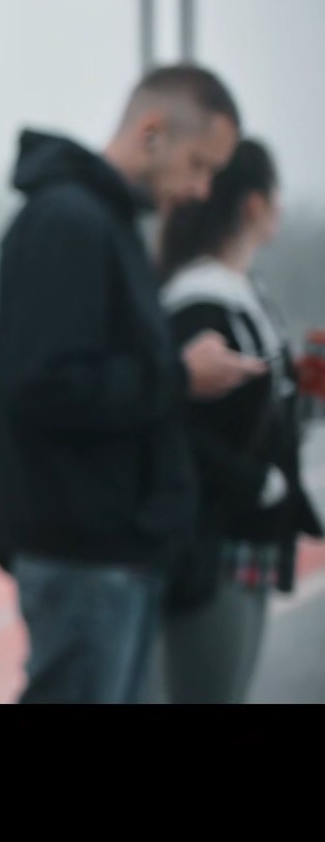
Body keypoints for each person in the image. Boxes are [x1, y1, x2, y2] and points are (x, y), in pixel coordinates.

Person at [0, 64, 267, 705]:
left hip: (110, 550)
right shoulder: (70, 223)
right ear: (152, 133)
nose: (201, 189)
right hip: (86, 553)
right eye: (198, 165)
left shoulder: (101, 223)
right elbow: (45, 385)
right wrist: (180, 375)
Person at [152, 138, 322, 702]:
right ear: (253, 204)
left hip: (246, 534)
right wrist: (260, 482)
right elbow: (175, 428)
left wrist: (305, 384)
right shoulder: (201, 301)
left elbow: (261, 406)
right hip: (213, 541)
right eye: (277, 194)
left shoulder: (245, 296)